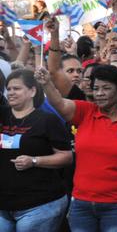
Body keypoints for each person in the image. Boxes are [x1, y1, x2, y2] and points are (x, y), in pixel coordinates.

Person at [35, 65, 117, 232]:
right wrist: (47, 83)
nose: (99, 93)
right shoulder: (86, 111)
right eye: (96, 88)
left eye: (106, 88)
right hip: (82, 204)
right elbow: (60, 104)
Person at [0, 69, 72, 232]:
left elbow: (66, 157)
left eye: (17, 88)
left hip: (40, 204)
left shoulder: (47, 120)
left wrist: (34, 161)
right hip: (4, 205)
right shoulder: (2, 114)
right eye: (9, 89)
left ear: (32, 91)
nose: (11, 92)